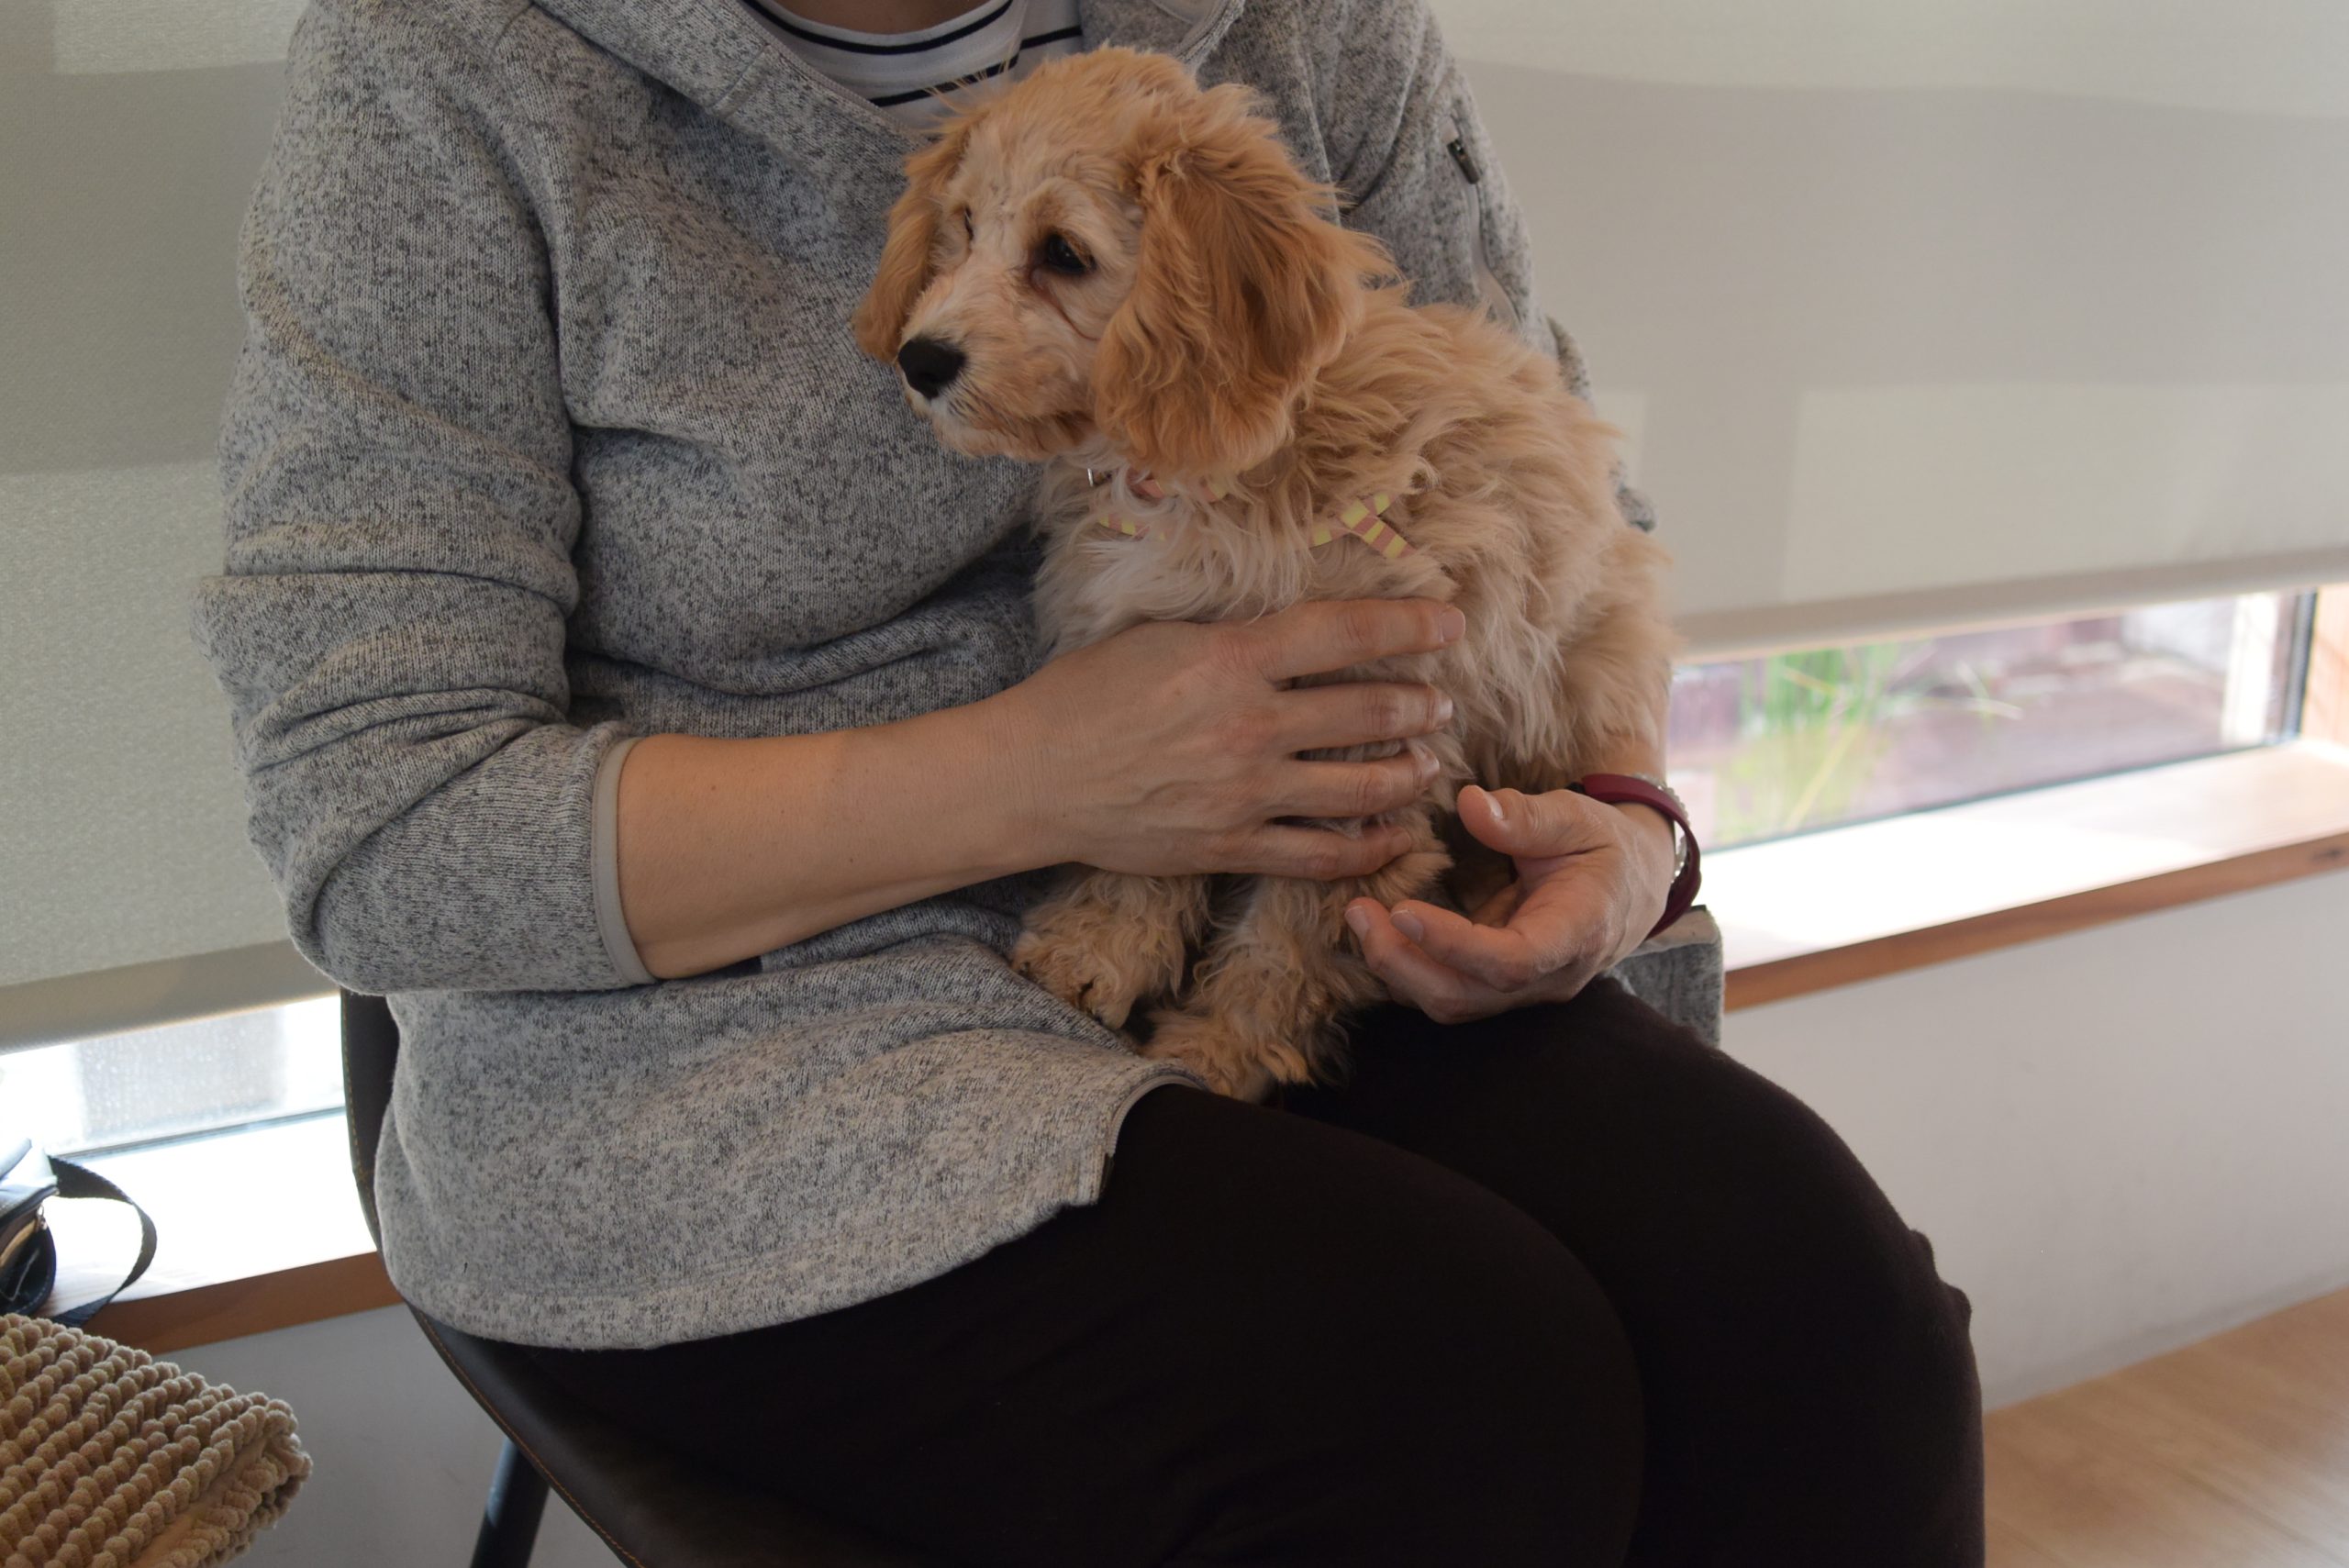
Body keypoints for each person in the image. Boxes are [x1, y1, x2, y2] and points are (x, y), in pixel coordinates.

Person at [194, 0, 1986, 1562]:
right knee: (1449, 1399)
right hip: (711, 1025)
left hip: (1307, 872)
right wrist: (1049, 776)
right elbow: (384, 833)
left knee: (1822, 1316)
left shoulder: (1303, 26)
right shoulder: (445, 72)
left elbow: (1553, 482)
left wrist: (1620, 817)